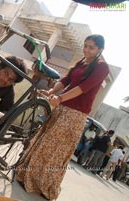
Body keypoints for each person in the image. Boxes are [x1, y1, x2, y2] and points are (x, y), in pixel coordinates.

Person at [16, 34, 109, 201]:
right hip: (61, 107)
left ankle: (42, 185)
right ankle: (26, 176)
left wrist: (59, 98)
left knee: (54, 150)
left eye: (91, 47)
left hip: (75, 114)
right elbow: (65, 80)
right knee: (43, 141)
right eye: (85, 45)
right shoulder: (82, 62)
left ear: (100, 50)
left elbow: (84, 87)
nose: (86, 49)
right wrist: (52, 92)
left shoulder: (102, 67)